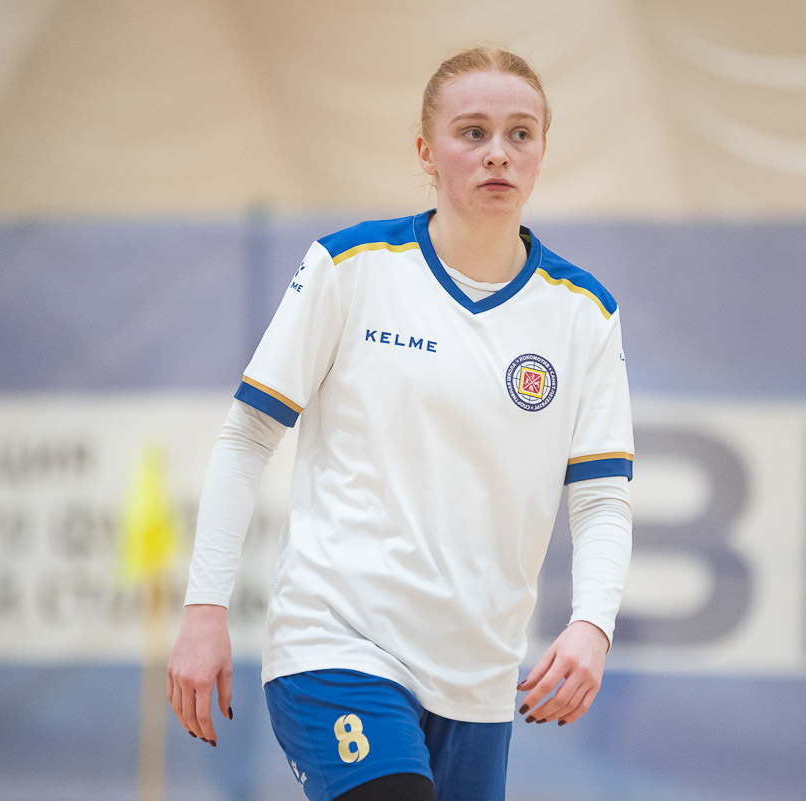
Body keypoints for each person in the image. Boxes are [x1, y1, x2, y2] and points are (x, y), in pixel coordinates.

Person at [167, 46, 634, 801]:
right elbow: (247, 436)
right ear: (425, 151)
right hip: (336, 644)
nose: (498, 153)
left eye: (520, 134)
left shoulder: (585, 313)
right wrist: (203, 610)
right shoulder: (350, 267)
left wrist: (593, 624)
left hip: (478, 680)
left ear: (542, 150)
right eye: (473, 132)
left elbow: (602, 497)